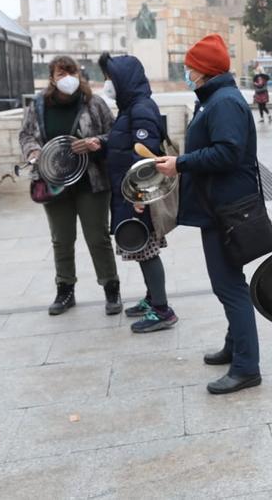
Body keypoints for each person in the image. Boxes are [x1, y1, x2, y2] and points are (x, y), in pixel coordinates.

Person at [154, 34, 263, 395]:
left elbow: (228, 153)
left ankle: (247, 367)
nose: (187, 72)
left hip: (227, 208)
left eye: (190, 67)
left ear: (203, 70)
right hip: (217, 205)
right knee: (230, 281)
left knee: (229, 286)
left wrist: (180, 163)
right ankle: (235, 348)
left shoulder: (224, 102)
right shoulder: (214, 99)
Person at [19, 56, 121, 316]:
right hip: (54, 182)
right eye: (61, 73)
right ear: (52, 77)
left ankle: (111, 288)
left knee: (97, 237)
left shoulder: (94, 103)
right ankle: (65, 289)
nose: (67, 78)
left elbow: (115, 134)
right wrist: (33, 152)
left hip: (92, 181)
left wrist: (95, 142)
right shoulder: (39, 105)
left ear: (79, 74)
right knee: (61, 239)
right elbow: (27, 134)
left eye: (71, 72)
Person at [98, 53, 177, 334]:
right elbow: (125, 146)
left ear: (123, 79)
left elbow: (145, 158)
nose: (107, 83)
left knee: (146, 250)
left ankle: (162, 310)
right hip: (127, 193)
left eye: (110, 78)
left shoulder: (141, 108)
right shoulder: (131, 107)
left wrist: (139, 197)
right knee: (141, 249)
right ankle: (151, 298)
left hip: (136, 196)